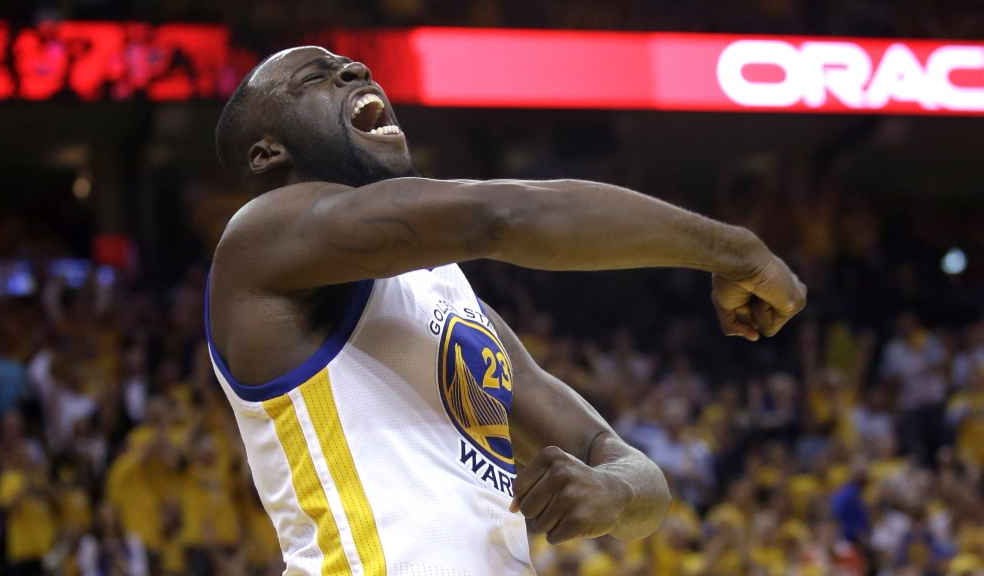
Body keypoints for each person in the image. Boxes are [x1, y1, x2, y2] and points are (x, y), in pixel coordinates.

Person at [207, 46, 807, 575]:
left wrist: (614, 492)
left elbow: (627, 465)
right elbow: (502, 215)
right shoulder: (259, 241)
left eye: (351, 66)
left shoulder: (442, 291)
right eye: (320, 76)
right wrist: (736, 252)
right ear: (268, 154)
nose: (355, 70)